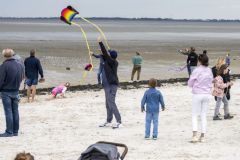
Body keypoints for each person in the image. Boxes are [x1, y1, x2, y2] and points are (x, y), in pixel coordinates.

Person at [188, 54, 213, 143]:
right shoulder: (209, 70)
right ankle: (202, 136)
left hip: (198, 94)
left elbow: (190, 83)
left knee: (195, 114)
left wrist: (193, 85)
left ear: (199, 61)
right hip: (207, 94)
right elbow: (211, 81)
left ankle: (194, 136)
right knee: (203, 115)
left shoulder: (197, 70)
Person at [97, 37, 122, 129]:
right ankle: (108, 120)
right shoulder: (111, 61)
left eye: (109, 54)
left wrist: (100, 42)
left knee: (111, 102)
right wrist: (108, 50)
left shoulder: (112, 61)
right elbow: (105, 54)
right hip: (107, 85)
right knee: (107, 103)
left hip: (112, 85)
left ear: (110, 56)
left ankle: (119, 121)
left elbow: (105, 54)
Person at [0, 49, 24, 137]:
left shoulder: (4, 66)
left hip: (6, 91)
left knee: (9, 111)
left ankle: (9, 132)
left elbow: (1, 80)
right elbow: (22, 77)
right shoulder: (19, 64)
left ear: (4, 56)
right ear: (12, 55)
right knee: (15, 111)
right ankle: (15, 131)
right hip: (15, 90)